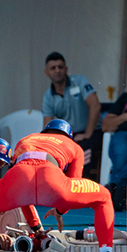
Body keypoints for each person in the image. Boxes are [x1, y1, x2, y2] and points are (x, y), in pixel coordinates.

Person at [0, 119, 127, 252]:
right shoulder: (75, 147)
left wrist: (36, 228)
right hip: (52, 179)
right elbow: (74, 182)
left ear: (44, 132)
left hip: (18, 179)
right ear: (68, 135)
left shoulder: (27, 139)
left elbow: (24, 196)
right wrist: (60, 210)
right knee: (104, 197)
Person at [42, 52, 102, 180]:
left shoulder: (79, 81)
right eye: (53, 68)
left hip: (91, 133)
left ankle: (80, 189)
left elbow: (95, 105)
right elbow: (47, 128)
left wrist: (87, 133)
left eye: (60, 67)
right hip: (68, 136)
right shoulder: (48, 96)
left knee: (82, 152)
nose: (57, 70)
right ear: (46, 72)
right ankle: (59, 188)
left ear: (66, 69)